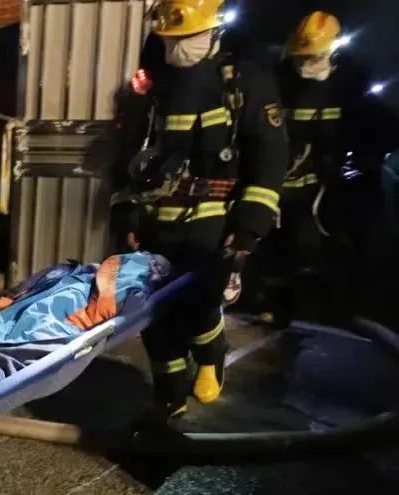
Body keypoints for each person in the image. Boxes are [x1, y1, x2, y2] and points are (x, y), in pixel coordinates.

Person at [110, 0, 288, 419]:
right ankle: (169, 395)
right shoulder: (152, 88)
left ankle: (211, 356)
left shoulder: (244, 83)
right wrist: (126, 212)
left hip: (213, 213)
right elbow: (128, 157)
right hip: (156, 215)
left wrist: (250, 223)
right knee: (153, 310)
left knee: (199, 300)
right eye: (171, 40)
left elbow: (269, 156)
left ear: (214, 32)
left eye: (188, 38)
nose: (179, 48)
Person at [251, 11, 353, 325]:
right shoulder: (279, 80)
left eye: (314, 56)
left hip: (326, 186)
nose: (307, 63)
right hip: (283, 183)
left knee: (324, 247)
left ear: (334, 51)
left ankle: (330, 305)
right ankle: (277, 306)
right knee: (276, 247)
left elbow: (362, 129)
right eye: (303, 56)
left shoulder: (349, 83)